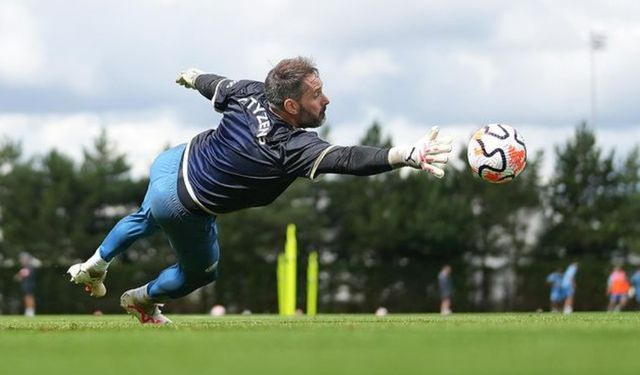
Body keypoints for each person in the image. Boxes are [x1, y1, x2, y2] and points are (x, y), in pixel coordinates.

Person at [67, 57, 453, 324]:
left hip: (170, 164)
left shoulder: (252, 92)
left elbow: (214, 84)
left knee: (145, 216)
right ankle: (141, 300)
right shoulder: (291, 146)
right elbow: (350, 159)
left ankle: (96, 265)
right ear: (290, 104)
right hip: (187, 205)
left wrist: (191, 75)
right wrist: (406, 154)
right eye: (316, 95)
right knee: (199, 274)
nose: (326, 99)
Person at [14, 252, 37, 317]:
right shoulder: (27, 267)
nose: (22, 261)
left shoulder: (29, 267)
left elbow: (22, 275)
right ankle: (29, 310)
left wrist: (18, 275)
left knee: (29, 297)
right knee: (27, 297)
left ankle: (30, 311)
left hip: (29, 285)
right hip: (26, 285)